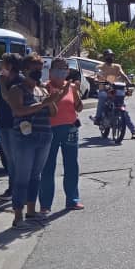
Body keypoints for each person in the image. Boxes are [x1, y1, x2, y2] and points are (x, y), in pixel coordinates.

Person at [4, 54, 61, 229]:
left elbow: (53, 113)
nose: (38, 71)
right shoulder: (17, 89)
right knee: (22, 176)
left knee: (35, 176)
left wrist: (50, 102)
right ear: (25, 69)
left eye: (41, 67)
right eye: (35, 67)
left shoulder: (42, 90)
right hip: (24, 138)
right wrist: (44, 104)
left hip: (44, 136)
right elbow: (18, 111)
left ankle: (31, 211)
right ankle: (18, 215)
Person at [40, 58, 85, 214]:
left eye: (64, 69)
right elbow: (47, 106)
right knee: (47, 168)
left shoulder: (71, 87)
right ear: (51, 71)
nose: (61, 72)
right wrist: (63, 92)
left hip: (70, 129)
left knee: (72, 165)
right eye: (58, 68)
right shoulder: (45, 87)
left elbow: (78, 108)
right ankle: (45, 204)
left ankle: (72, 200)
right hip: (50, 131)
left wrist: (76, 93)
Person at [93, 49, 135, 140]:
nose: (110, 57)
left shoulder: (117, 66)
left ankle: (133, 131)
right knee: (102, 97)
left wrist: (129, 82)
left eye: (112, 55)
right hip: (104, 89)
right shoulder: (100, 67)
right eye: (108, 55)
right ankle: (97, 117)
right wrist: (96, 80)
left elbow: (123, 75)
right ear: (104, 57)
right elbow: (96, 75)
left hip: (116, 89)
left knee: (123, 109)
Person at [0, 53, 22, 201]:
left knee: (15, 158)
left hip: (14, 125)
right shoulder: (5, 80)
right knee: (8, 158)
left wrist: (1, 84)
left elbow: (8, 99)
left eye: (3, 63)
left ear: (10, 66)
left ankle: (16, 188)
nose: (1, 66)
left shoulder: (19, 81)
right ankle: (13, 186)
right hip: (3, 123)